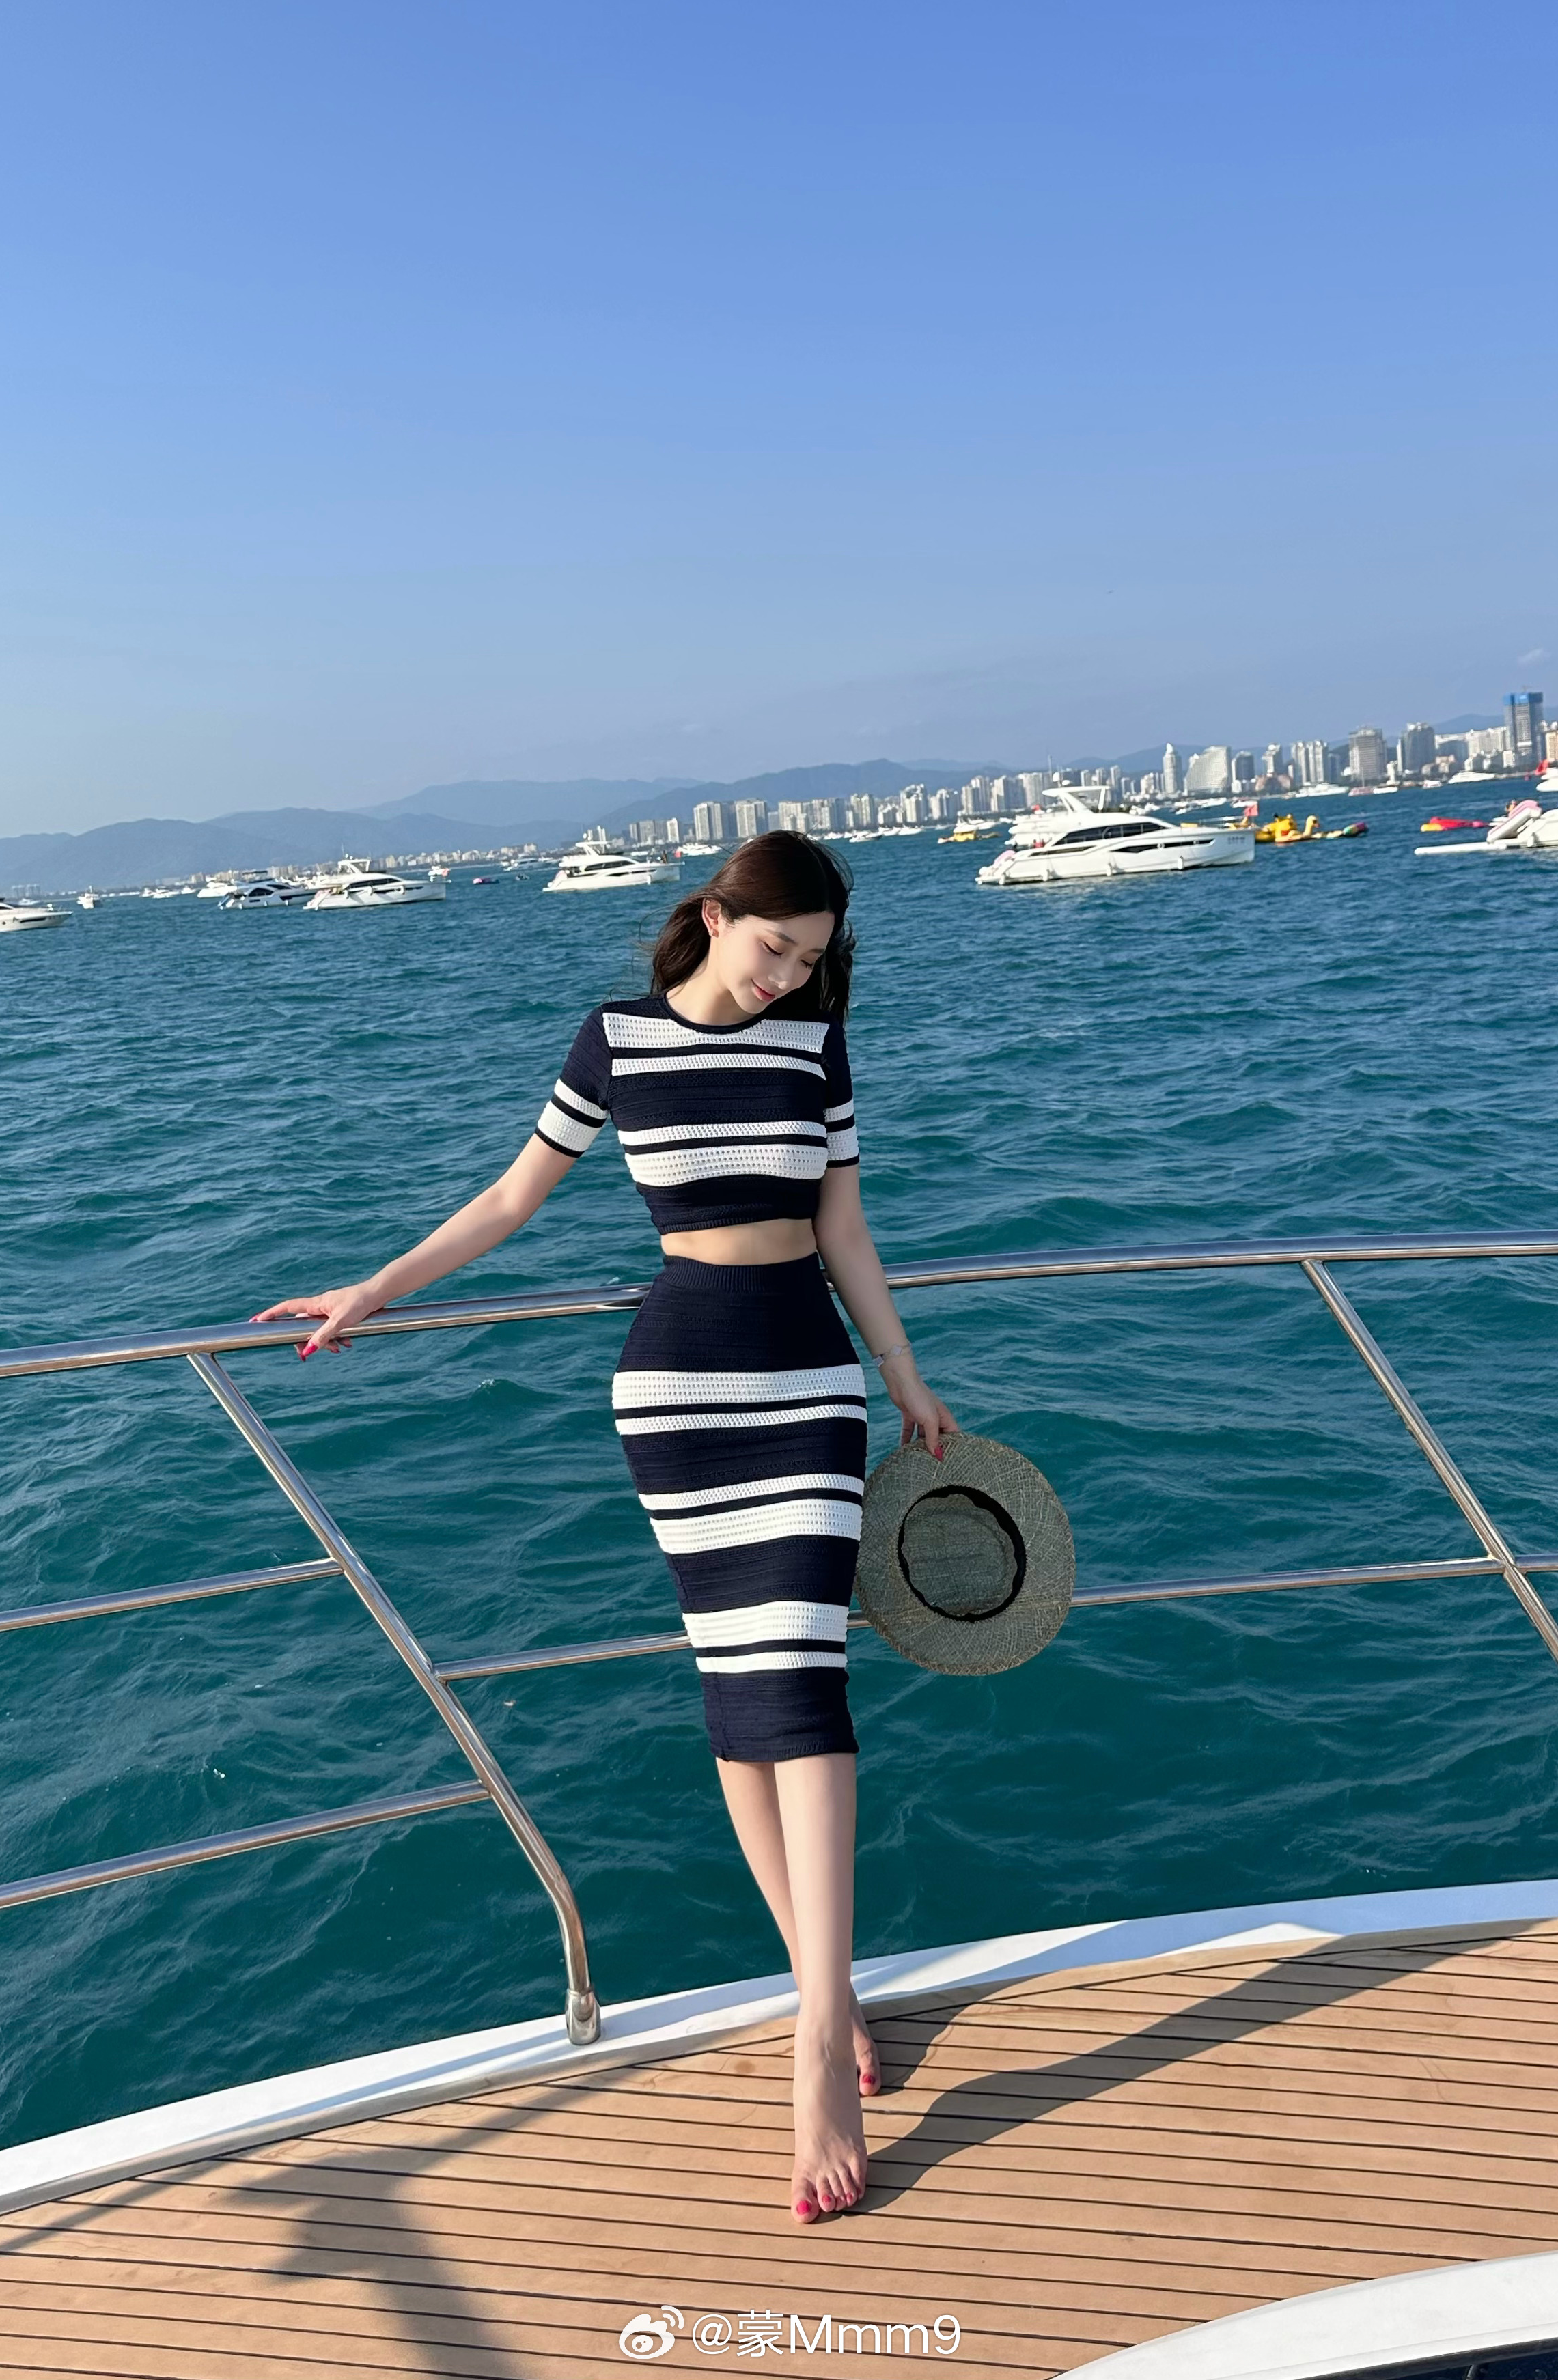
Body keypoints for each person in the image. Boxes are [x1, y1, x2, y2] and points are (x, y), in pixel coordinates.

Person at [254, 831, 954, 2223]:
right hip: (681, 1390)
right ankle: (823, 1988)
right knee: (739, 1708)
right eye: (774, 949)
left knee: (804, 1689)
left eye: (811, 961)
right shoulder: (616, 1039)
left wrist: (905, 1375)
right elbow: (513, 1196)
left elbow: (846, 1230)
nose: (788, 978)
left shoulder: (814, 1048)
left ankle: (821, 2035)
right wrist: (373, 1288)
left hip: (808, 1385)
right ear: (716, 914)